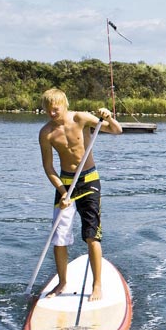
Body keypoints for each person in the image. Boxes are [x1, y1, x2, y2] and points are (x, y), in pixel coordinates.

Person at [38, 88, 122, 300]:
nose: (52, 114)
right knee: (59, 238)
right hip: (65, 185)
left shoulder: (81, 118)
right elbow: (48, 168)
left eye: (55, 109)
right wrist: (62, 192)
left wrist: (108, 117)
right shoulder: (46, 133)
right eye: (48, 110)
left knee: (91, 235)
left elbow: (116, 130)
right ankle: (62, 283)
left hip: (89, 181)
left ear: (64, 105)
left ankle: (97, 285)